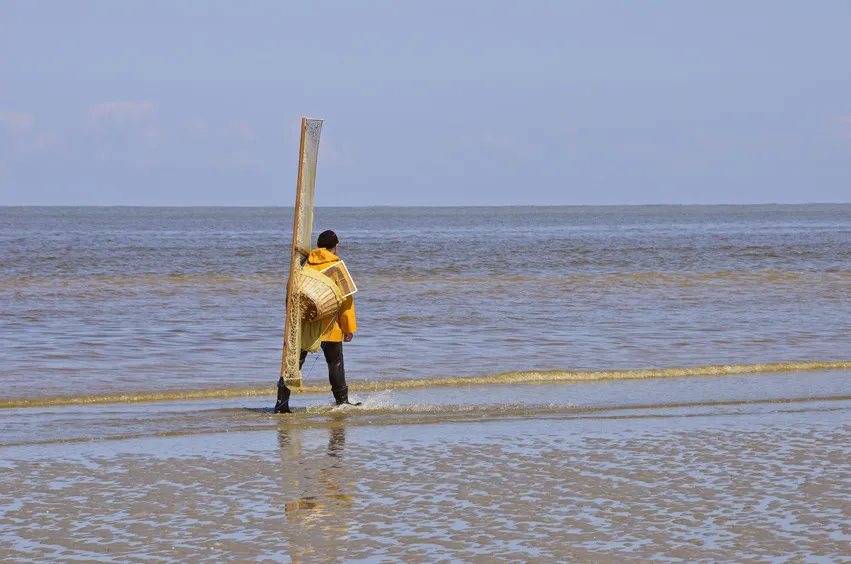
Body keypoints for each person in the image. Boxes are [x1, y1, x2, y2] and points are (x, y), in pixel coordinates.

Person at [275, 230, 360, 413]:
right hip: (330, 326)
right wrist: (348, 328)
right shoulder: (337, 266)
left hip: (306, 324)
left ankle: (282, 404)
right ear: (335, 246)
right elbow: (346, 301)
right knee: (335, 362)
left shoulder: (303, 263)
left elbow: (293, 294)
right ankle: (342, 402)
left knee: (294, 363)